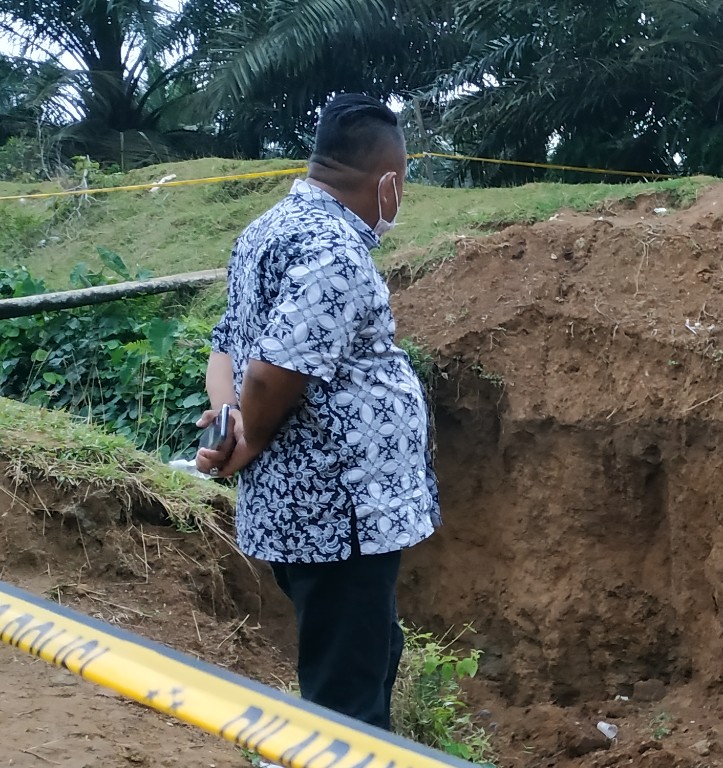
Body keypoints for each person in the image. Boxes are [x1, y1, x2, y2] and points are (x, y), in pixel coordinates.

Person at [194, 93, 440, 740]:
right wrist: (249, 436)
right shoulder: (333, 251)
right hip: (338, 517)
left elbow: (226, 345)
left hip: (308, 514)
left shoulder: (267, 229)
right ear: (388, 182)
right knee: (346, 705)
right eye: (405, 183)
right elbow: (276, 372)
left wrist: (231, 421)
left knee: (370, 652)